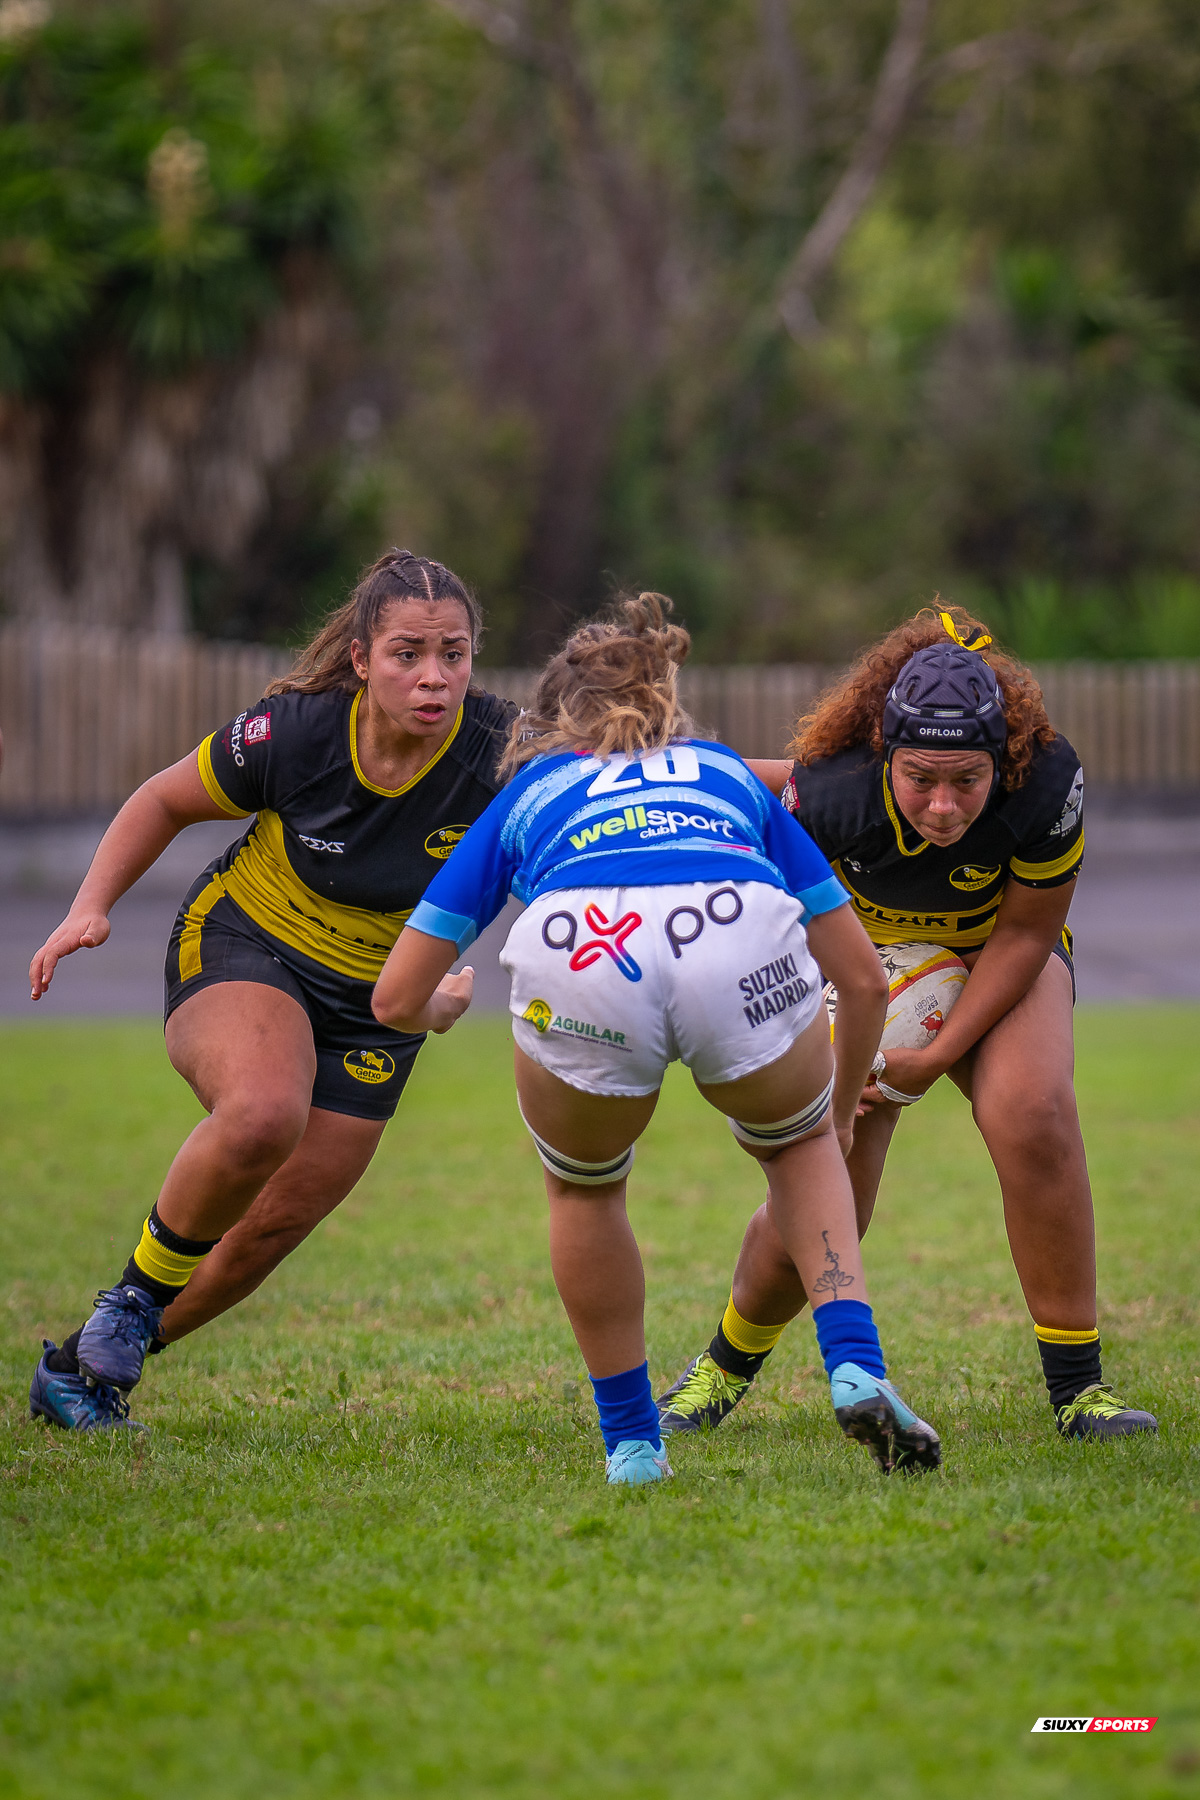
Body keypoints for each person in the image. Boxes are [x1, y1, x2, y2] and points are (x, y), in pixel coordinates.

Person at [371, 592, 942, 1486]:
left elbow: (395, 995)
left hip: (583, 951)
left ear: (558, 723)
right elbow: (865, 979)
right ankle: (856, 1367)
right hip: (733, 932)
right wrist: (835, 1114)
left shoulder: (534, 789)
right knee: (797, 1155)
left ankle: (635, 1445)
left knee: (586, 1193)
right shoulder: (720, 772)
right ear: (667, 708)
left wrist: (437, 1010)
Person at [28, 550, 515, 1431]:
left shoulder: (504, 751)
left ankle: (80, 1373)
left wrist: (427, 1001)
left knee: (269, 1227)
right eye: (408, 653)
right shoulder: (297, 733)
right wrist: (89, 908)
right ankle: (131, 1302)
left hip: (377, 1001)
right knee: (262, 1115)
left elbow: (617, 799)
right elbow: (163, 800)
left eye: (454, 653)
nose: (434, 676)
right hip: (248, 942)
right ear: (363, 659)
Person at [656, 606, 1157, 1444]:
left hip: (998, 948)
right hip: (872, 960)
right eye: (921, 777)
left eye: (967, 780)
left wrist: (940, 1054)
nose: (943, 804)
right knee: (834, 1171)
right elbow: (737, 833)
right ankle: (721, 1367)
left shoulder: (1046, 783)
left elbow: (1029, 934)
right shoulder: (830, 787)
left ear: (1003, 761)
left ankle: (1080, 1392)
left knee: (1032, 1111)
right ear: (883, 756)